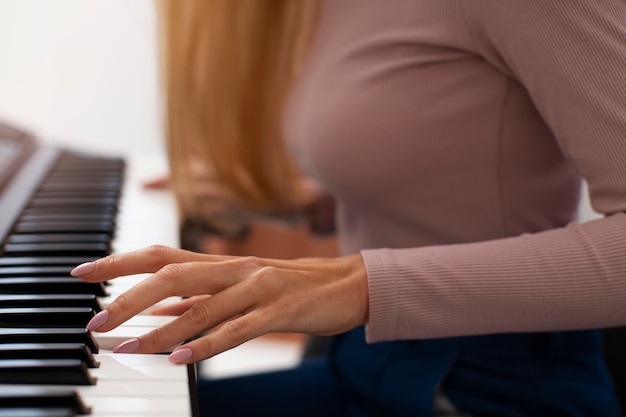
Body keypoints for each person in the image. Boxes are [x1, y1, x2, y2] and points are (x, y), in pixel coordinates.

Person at [70, 0, 626, 415]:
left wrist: (359, 285)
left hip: (488, 388)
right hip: (366, 363)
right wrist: (296, 204)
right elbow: (446, 158)